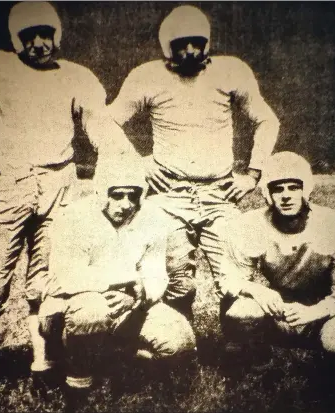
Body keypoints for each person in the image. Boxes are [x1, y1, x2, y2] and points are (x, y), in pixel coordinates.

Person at [0, 1, 134, 399]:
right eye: (29, 37)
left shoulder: (76, 77)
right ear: (16, 39)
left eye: (46, 35)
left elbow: (101, 128)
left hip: (59, 184)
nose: (40, 44)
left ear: (57, 34)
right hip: (7, 184)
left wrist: (130, 162)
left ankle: (43, 364)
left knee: (46, 285)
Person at [108, 5, 280, 320]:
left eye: (197, 42)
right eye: (181, 44)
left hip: (219, 193)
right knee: (174, 279)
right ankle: (178, 344)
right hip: (168, 195)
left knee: (234, 277)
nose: (190, 51)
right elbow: (107, 122)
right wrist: (137, 163)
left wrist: (253, 174)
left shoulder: (231, 71)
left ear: (208, 41)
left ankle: (235, 344)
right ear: (167, 45)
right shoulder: (147, 76)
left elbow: (267, 120)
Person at [38, 159, 196, 408]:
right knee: (91, 313)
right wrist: (128, 281)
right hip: (72, 301)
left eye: (133, 196)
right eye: (117, 195)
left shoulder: (153, 218)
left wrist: (138, 296)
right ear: (101, 192)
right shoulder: (73, 216)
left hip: (129, 301)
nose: (126, 204)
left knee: (180, 343)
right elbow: (69, 277)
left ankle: (113, 356)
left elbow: (156, 274)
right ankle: (78, 383)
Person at [217, 151, 335, 372]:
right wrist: (257, 291)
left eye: (294, 187)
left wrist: (314, 312)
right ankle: (259, 360)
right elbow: (228, 278)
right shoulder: (249, 225)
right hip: (278, 310)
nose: (286, 196)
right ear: (267, 193)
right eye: (278, 188)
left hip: (323, 311)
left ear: (306, 189)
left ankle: (330, 378)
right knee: (242, 311)